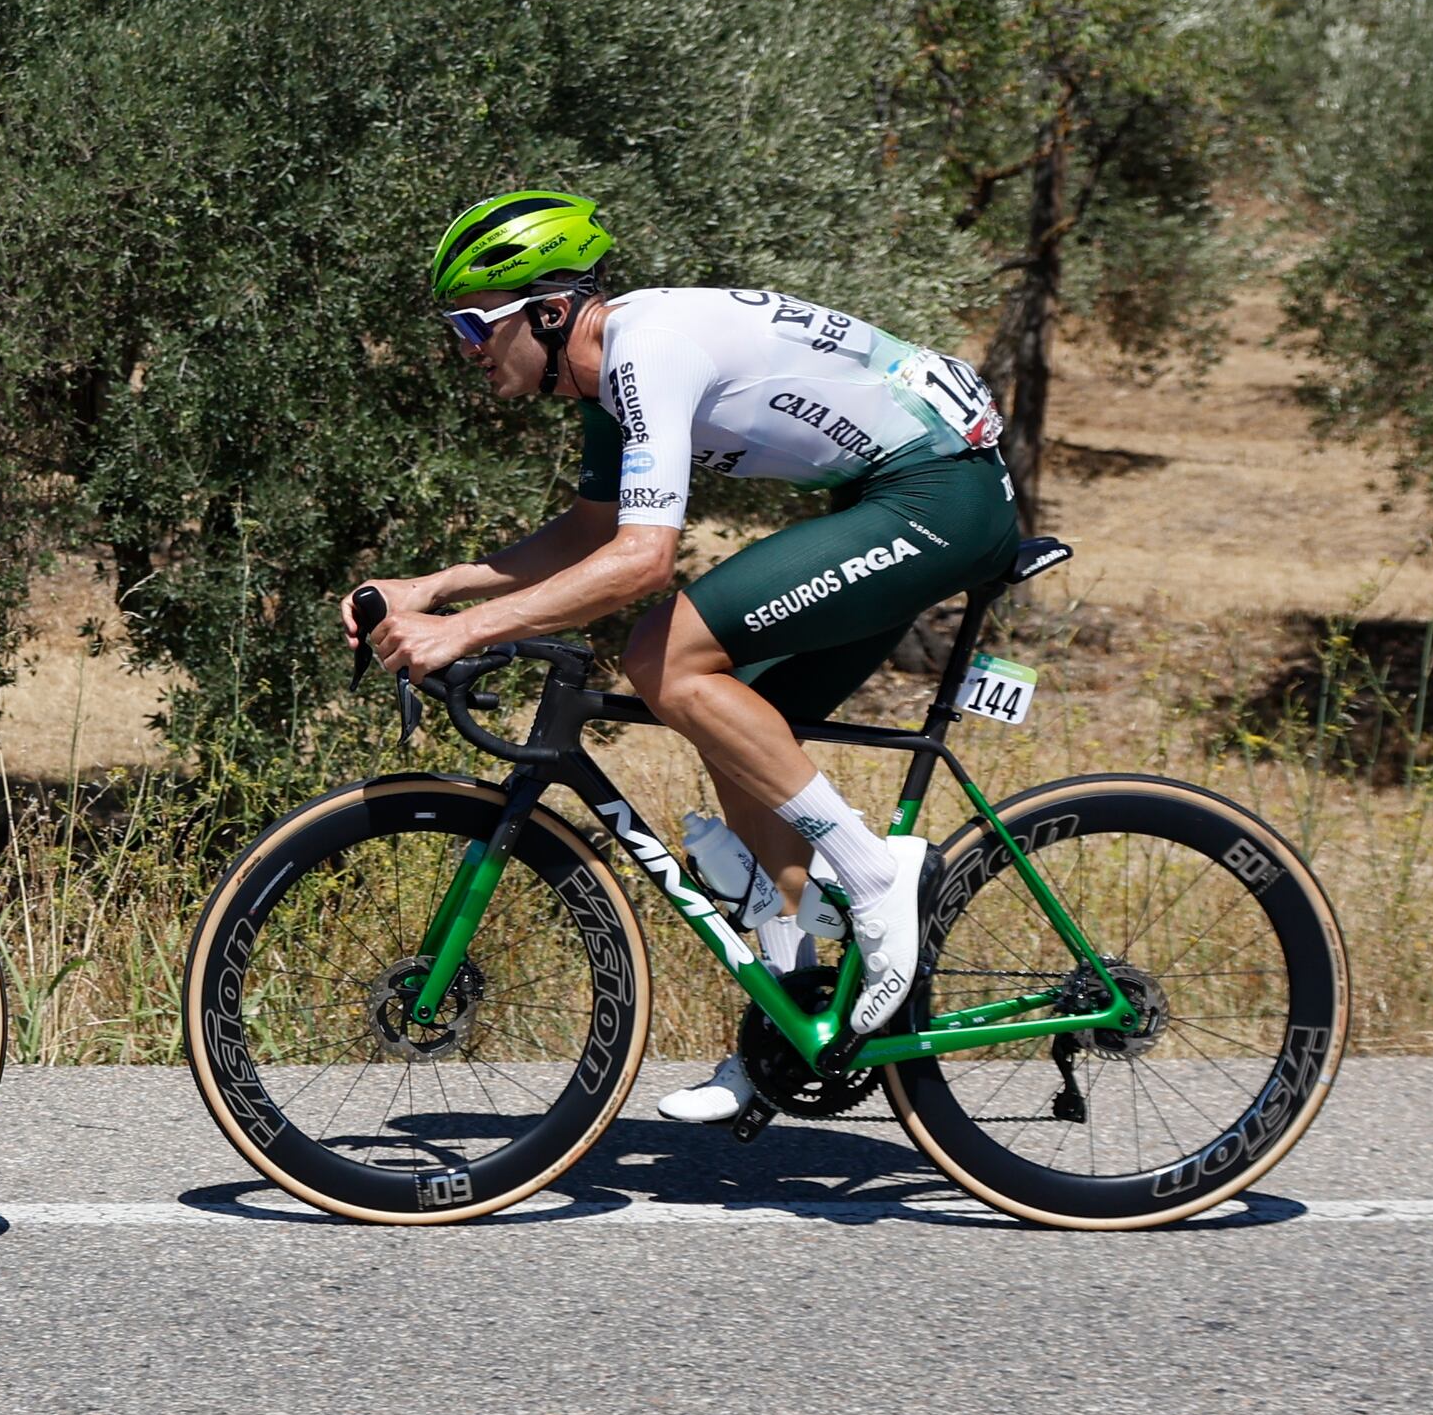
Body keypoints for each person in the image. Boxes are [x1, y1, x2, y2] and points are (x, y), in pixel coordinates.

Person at [344, 190, 1015, 1126]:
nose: (463, 347)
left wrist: (464, 632)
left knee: (666, 653)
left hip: (941, 493)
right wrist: (440, 586)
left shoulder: (645, 350)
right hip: (894, 489)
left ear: (546, 313)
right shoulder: (601, 383)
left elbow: (643, 560)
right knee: (729, 719)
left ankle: (875, 876)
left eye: (472, 323)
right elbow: (590, 533)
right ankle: (790, 1028)